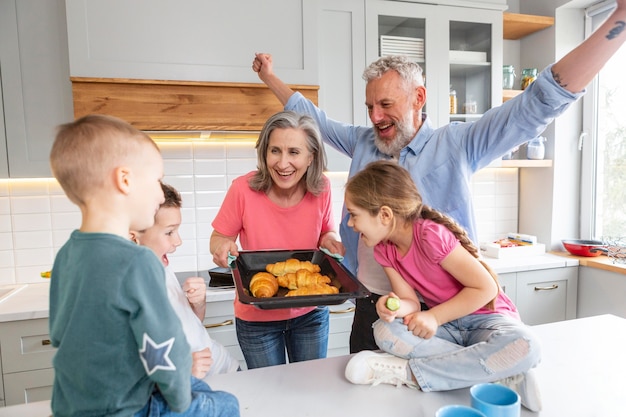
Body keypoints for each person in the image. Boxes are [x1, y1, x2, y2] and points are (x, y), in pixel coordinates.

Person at [251, 1, 626, 353]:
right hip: (373, 305)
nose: (375, 117)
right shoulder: (363, 142)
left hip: (443, 311)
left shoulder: (457, 145)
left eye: (386, 104)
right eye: (370, 106)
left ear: (418, 98)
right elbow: (314, 118)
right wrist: (270, 77)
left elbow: (537, 104)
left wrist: (616, 22)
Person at [48, 114, 239, 417]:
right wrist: (181, 398)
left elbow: (59, 334)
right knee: (227, 404)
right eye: (156, 181)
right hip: (130, 407)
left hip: (72, 404)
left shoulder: (67, 255)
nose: (161, 194)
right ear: (124, 180)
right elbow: (164, 347)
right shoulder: (138, 262)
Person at [342, 160, 542, 411]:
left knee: (527, 344)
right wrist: (392, 307)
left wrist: (434, 317)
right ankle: (499, 371)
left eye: (354, 214)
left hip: (486, 319)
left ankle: (409, 374)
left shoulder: (429, 235)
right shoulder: (384, 250)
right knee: (384, 330)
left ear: (384, 215)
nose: (350, 224)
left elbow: (486, 288)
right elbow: (411, 302)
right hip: (449, 328)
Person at [210, 110, 345, 369]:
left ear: (310, 157)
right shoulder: (243, 189)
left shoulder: (322, 188)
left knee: (310, 392)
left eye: (294, 152)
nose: (283, 164)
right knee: (270, 396)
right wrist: (222, 247)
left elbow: (326, 231)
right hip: (257, 317)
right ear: (264, 153)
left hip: (310, 312)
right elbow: (219, 237)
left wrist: (330, 241)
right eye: (275, 151)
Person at [130, 182, 240, 380]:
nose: (178, 241)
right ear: (134, 237)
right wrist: (182, 368)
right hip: (198, 384)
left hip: (225, 368)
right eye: (169, 232)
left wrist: (197, 305)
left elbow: (189, 328)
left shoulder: (162, 266)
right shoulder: (130, 287)